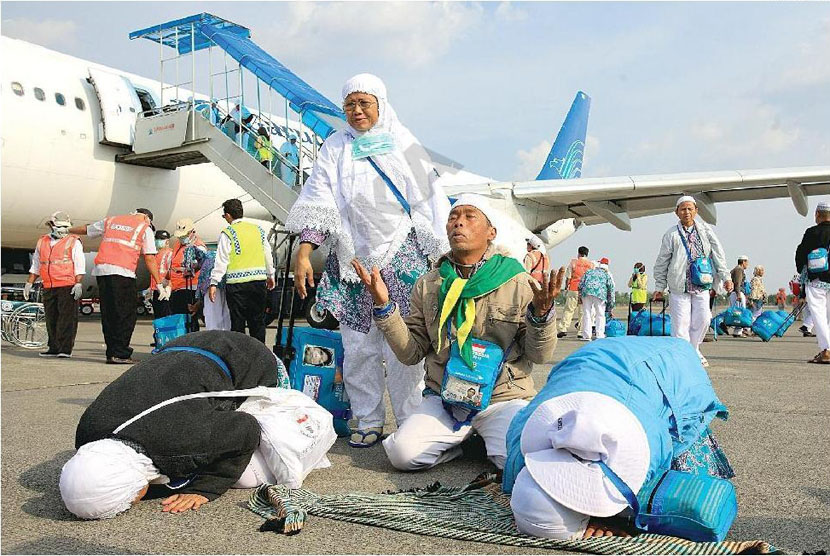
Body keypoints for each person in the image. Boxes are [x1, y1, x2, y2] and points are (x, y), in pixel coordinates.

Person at [286, 73, 452, 449]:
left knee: (403, 346)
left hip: (402, 256)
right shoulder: (335, 148)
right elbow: (319, 200)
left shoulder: (406, 144)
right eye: (350, 104)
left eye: (365, 103)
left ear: (381, 104)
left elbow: (431, 201)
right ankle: (367, 418)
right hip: (351, 260)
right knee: (358, 346)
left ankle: (410, 421)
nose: (357, 111)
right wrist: (304, 251)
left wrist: (443, 254)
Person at [353, 193, 565, 470]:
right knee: (402, 455)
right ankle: (459, 445)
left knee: (516, 463)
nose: (458, 223)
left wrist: (541, 315)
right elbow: (410, 353)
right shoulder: (429, 284)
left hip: (502, 398)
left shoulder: (518, 282)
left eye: (469, 217)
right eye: (453, 217)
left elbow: (539, 355)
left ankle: (481, 439)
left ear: (491, 233)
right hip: (445, 397)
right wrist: (384, 307)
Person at [503, 337, 733, 540]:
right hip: (591, 358)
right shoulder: (518, 454)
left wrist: (613, 515)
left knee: (683, 476)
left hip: (669, 362)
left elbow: (652, 464)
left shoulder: (648, 444)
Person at [59, 331, 282, 519]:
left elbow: (246, 429)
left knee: (250, 473)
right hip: (184, 344)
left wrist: (206, 487)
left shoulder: (179, 442)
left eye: (128, 502)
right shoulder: (87, 433)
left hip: (246, 356)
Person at [69, 209, 169, 364]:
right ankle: (121, 353)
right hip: (123, 273)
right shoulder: (144, 227)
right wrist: (159, 283)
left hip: (102, 272)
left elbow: (87, 229)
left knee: (109, 314)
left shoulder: (112, 220)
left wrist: (67, 230)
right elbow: (149, 258)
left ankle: (112, 353)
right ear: (148, 218)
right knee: (126, 315)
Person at [653, 196, 731, 368]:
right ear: (676, 212)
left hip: (701, 283)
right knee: (681, 323)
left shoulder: (705, 230)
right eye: (682, 209)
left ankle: (694, 349)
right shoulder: (671, 234)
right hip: (679, 285)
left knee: (704, 319)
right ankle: (683, 357)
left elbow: (718, 253)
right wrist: (660, 286)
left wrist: (726, 277)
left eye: (690, 209)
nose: (686, 212)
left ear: (696, 210)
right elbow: (662, 261)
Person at [208, 199, 275, 343]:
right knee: (257, 322)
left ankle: (240, 357)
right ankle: (259, 356)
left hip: (237, 285)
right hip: (258, 282)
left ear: (228, 215)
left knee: (237, 323)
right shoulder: (258, 230)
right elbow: (267, 254)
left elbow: (221, 260)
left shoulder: (228, 233)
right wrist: (271, 275)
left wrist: (213, 283)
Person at [23, 211, 85, 358]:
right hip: (49, 285)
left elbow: (79, 264)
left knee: (66, 318)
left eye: (66, 227)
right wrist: (29, 282)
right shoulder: (42, 241)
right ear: (51, 225)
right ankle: (54, 347)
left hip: (67, 284)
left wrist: (78, 283)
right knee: (51, 318)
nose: (63, 230)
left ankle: (65, 349)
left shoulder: (74, 241)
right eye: (59, 226)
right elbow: (37, 264)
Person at [795, 200, 830, 364]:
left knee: (819, 316)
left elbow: (800, 254)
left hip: (816, 280)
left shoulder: (811, 232)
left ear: (817, 214)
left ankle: (826, 350)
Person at [169, 218, 208, 333]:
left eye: (184, 235)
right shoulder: (178, 244)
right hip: (177, 288)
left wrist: (187, 269)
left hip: (191, 288)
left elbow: (201, 266)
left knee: (190, 321)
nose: (181, 238)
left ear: (192, 232)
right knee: (179, 320)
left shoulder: (198, 247)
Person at [557, 246, 594, 339]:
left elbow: (568, 277)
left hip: (573, 289)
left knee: (569, 309)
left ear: (579, 253)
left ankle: (563, 329)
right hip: (585, 291)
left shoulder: (573, 263)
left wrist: (566, 287)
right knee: (583, 311)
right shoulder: (591, 264)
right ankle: (581, 331)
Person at [578, 258, 614, 341]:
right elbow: (611, 289)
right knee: (600, 314)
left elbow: (580, 284)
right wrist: (611, 304)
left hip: (586, 292)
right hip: (599, 294)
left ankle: (586, 335)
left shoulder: (589, 272)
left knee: (587, 313)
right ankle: (600, 334)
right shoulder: (606, 274)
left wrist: (580, 296)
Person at [196, 249, 231, 331]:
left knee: (212, 315)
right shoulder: (214, 255)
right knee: (226, 314)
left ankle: (215, 339)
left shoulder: (207, 261)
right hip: (228, 282)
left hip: (212, 284)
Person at [148, 230, 173, 320]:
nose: (158, 241)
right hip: (157, 289)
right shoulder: (156, 255)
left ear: (167, 241)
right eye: (157, 239)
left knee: (166, 317)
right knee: (158, 318)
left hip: (165, 290)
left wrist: (169, 287)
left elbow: (172, 272)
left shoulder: (170, 254)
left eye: (161, 239)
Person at [729, 256, 750, 336]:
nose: (747, 264)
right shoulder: (739, 270)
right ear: (743, 262)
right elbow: (737, 282)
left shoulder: (736, 269)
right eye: (747, 262)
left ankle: (738, 331)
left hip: (735, 293)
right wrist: (738, 294)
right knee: (740, 312)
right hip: (737, 293)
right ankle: (738, 331)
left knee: (737, 312)